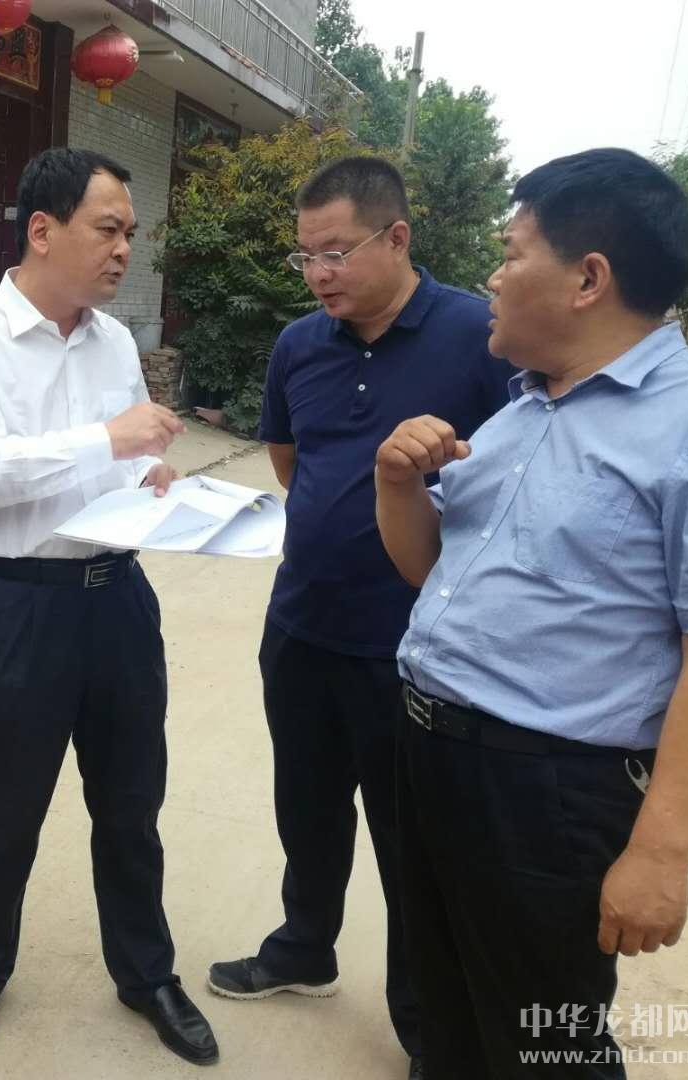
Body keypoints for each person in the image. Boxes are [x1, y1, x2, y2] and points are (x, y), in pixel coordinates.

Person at [376, 148, 688, 1078]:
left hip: (548, 794)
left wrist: (661, 854)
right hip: (430, 752)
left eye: (511, 252)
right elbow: (430, 571)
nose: (492, 275)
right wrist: (396, 483)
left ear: (587, 279)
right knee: (441, 1009)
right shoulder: (523, 410)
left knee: (543, 1043)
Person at [206, 156, 512, 1080]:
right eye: (305, 256)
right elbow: (288, 458)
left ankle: (424, 1022)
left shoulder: (480, 335)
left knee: (412, 842)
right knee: (306, 806)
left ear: (398, 237)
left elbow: (513, 479)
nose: (317, 274)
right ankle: (305, 946)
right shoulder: (301, 344)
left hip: (415, 647)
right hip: (301, 626)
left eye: (334, 252)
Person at [0, 147, 218, 1065]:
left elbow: (127, 457)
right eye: (108, 229)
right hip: (20, 604)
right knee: (6, 803)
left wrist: (151, 471)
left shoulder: (114, 341)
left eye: (130, 232)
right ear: (43, 231)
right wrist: (108, 440)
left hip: (117, 599)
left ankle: (147, 974)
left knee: (131, 802)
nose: (125, 248)